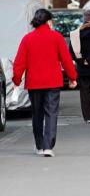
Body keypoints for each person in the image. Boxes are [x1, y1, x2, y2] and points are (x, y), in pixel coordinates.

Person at [13, 9, 77, 157]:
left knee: (37, 114)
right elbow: (66, 60)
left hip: (34, 83)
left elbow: (19, 62)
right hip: (53, 81)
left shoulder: (27, 39)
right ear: (48, 21)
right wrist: (73, 77)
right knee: (51, 113)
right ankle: (49, 146)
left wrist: (17, 79)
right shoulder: (56, 37)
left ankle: (39, 145)